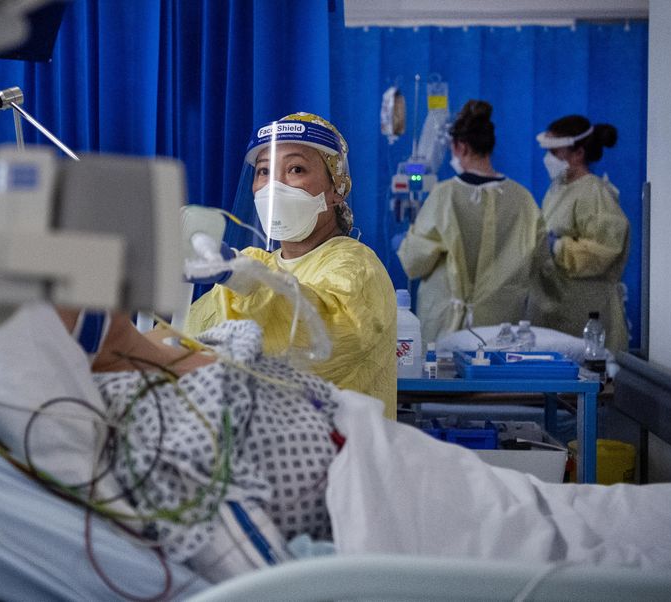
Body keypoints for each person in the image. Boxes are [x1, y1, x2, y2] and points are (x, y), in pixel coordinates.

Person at [183, 112, 398, 418]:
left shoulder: (357, 267)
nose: (274, 186)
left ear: (336, 190)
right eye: (263, 172)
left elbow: (319, 336)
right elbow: (191, 336)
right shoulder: (257, 264)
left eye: (295, 169)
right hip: (269, 454)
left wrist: (240, 277)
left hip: (340, 456)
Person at [397, 100, 546, 345]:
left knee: (444, 380)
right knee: (493, 380)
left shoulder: (444, 196)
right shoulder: (523, 200)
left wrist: (406, 243)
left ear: (460, 147)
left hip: (447, 326)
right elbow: (539, 260)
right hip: (501, 327)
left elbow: (414, 263)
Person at [529, 115, 630, 351]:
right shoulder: (557, 189)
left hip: (584, 312)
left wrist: (556, 247)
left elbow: (604, 251)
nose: (548, 159)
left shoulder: (594, 192)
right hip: (556, 306)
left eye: (555, 152)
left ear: (578, 153)